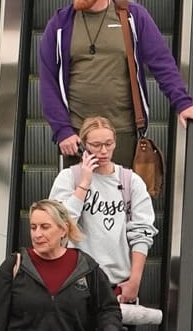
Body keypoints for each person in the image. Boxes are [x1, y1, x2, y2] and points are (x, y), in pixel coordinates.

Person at [40, 0, 193, 165]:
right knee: (80, 196)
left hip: (123, 132)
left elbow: (162, 63)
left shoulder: (132, 16)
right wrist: (62, 130)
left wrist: (183, 104)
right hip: (78, 135)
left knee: (123, 196)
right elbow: (48, 81)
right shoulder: (60, 24)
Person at [49, 117, 158, 305]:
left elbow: (142, 232)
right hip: (75, 282)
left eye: (108, 143)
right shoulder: (68, 178)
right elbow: (59, 226)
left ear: (115, 142)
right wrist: (84, 184)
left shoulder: (130, 181)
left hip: (117, 284)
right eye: (96, 145)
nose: (103, 151)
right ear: (84, 145)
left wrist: (135, 281)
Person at [0, 199, 123, 330]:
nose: (37, 234)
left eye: (45, 227)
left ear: (63, 229)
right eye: (33, 227)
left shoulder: (86, 267)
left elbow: (108, 309)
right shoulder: (14, 266)